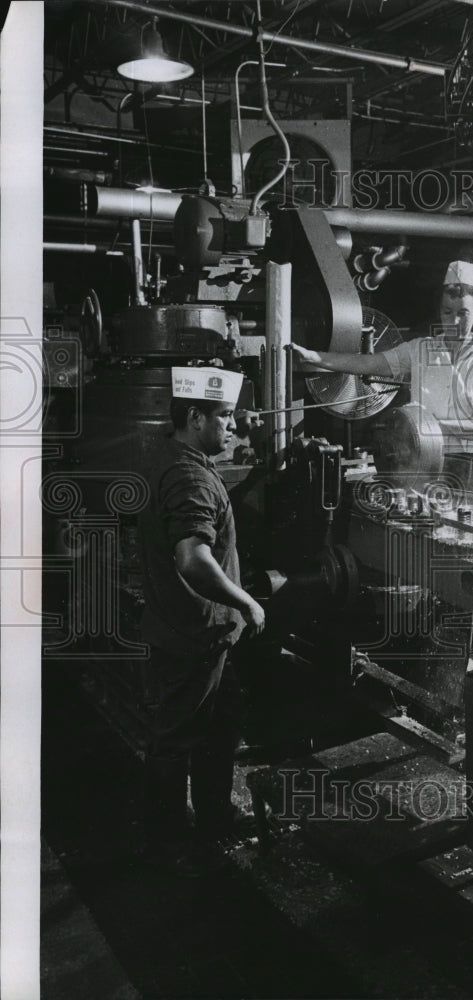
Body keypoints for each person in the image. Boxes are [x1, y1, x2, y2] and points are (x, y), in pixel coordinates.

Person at [137, 366, 266, 875]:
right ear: (195, 416)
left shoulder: (171, 455)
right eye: (226, 416)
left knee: (222, 720)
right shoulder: (190, 475)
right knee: (176, 739)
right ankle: (167, 846)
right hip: (198, 632)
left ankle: (214, 817)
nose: (234, 426)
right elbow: (194, 558)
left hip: (195, 630)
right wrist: (247, 603)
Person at [292, 260, 473, 494]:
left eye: (463, 313)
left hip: (471, 471)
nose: (454, 322)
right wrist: (313, 357)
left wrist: (431, 426)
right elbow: (367, 363)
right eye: (447, 312)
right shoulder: (419, 350)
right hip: (425, 466)